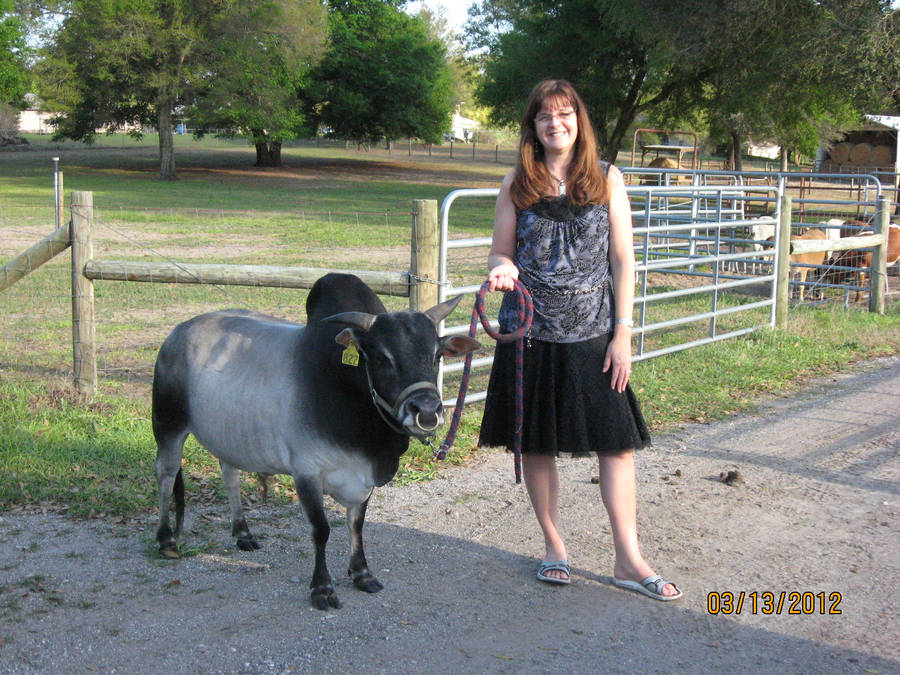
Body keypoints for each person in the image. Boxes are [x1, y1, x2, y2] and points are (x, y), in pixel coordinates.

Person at [479, 79, 681, 600]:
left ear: (578, 121)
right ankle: (554, 547)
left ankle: (627, 559)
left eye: (565, 114)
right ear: (534, 126)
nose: (556, 124)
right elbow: (500, 252)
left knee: (616, 445)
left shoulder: (608, 179)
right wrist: (502, 271)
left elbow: (623, 260)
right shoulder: (516, 183)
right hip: (530, 335)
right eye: (545, 116)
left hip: (596, 332)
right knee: (537, 443)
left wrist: (624, 333)